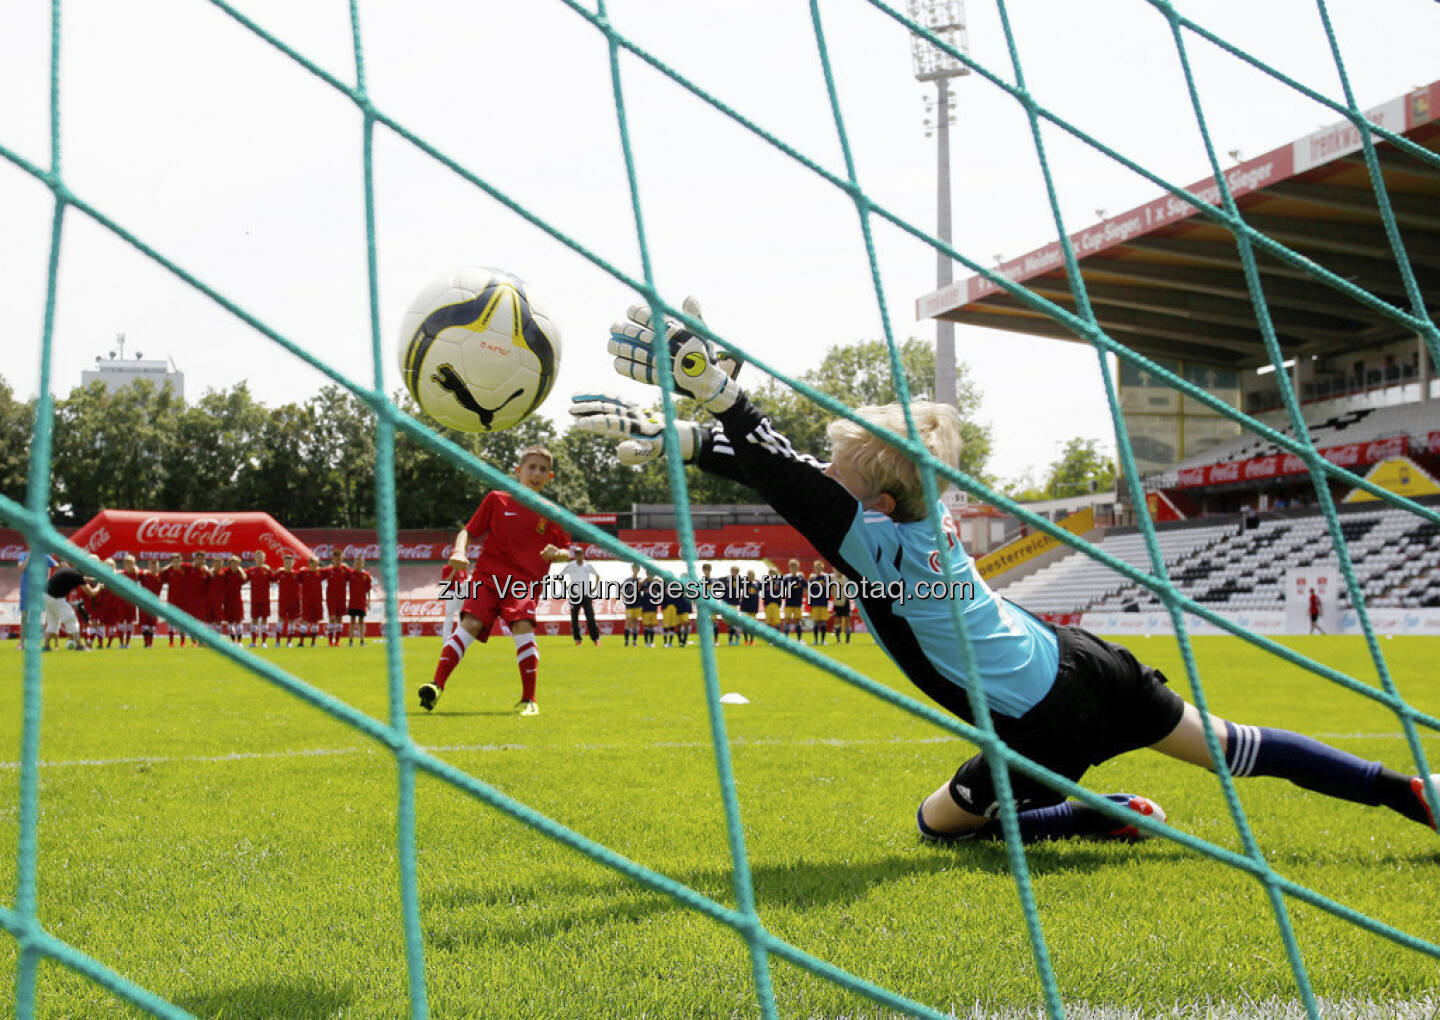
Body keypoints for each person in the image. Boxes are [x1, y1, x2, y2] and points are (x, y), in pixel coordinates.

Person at [574, 297, 1440, 844]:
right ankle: (1410, 794)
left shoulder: (870, 546)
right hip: (1087, 659)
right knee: (1233, 747)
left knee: (939, 824)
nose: (824, 472)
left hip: (1040, 723)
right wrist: (686, 436)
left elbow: (781, 470)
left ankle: (1092, 814)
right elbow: (791, 467)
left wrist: (718, 398)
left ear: (870, 495)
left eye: (841, 468)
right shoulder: (924, 516)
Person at [417, 446, 571, 717]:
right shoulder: (496, 499)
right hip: (487, 578)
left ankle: (528, 700)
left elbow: (569, 550)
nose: (536, 473)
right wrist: (459, 551)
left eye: (542, 470)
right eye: (531, 467)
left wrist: (557, 553)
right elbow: (467, 531)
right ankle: (436, 685)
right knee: (471, 624)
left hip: (524, 583)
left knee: (523, 625)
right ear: (518, 471)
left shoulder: (554, 513)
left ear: (550, 476)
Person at [559, 546, 601, 646]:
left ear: (583, 555)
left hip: (586, 595)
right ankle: (578, 640)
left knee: (590, 618)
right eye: (577, 554)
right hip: (575, 595)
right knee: (574, 619)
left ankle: (595, 639)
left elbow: (597, 575)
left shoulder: (587, 565)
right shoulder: (571, 565)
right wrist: (567, 587)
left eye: (580, 554)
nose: (579, 556)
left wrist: (594, 587)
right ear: (575, 555)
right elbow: (559, 577)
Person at [41, 559, 87, 651]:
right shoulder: (77, 576)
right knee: (71, 619)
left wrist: (90, 579)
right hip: (56, 598)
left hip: (45, 595)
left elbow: (80, 579)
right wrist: (98, 587)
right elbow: (89, 592)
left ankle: (46, 646)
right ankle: (79, 645)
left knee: (52, 622)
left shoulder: (69, 570)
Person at [246, 550, 275, 647]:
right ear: (254, 559)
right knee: (254, 620)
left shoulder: (267, 570)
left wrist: (271, 569)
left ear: (264, 559)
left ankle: (264, 642)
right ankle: (254, 642)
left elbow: (275, 579)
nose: (259, 559)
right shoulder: (251, 570)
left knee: (264, 620)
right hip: (254, 600)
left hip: (265, 600)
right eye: (257, 557)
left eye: (261, 557)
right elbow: (242, 576)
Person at [324, 548, 351, 647]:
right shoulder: (328, 570)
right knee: (332, 618)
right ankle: (330, 642)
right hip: (331, 599)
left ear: (342, 559)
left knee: (339, 619)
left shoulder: (345, 569)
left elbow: (354, 576)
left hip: (341, 598)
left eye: (339, 559)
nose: (337, 561)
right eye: (335, 559)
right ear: (332, 559)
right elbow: (317, 574)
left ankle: (337, 641)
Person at [438, 555, 468, 644]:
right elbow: (446, 581)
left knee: (461, 617)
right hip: (451, 592)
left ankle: (460, 638)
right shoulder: (447, 568)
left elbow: (464, 579)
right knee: (449, 617)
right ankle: (446, 639)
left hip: (461, 592)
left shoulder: (462, 569)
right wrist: (454, 570)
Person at [275, 551, 301, 647]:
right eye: (286, 562)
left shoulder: (297, 574)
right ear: (283, 563)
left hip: (294, 602)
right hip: (283, 601)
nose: (288, 564)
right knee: (280, 619)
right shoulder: (280, 573)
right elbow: (272, 578)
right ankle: (277, 642)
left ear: (293, 563)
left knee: (291, 621)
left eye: (290, 562)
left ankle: (289, 642)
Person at [299, 556, 324, 647]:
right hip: (307, 602)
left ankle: (313, 642)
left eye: (316, 563)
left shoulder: (321, 573)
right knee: (304, 621)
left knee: (315, 621)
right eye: (312, 563)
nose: (315, 565)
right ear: (309, 564)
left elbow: (332, 569)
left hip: (317, 602)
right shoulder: (304, 573)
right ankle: (301, 642)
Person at [347, 555, 372, 646]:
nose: (357, 564)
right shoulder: (351, 574)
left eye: (359, 563)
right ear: (354, 564)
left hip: (361, 602)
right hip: (353, 601)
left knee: (361, 621)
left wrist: (369, 601)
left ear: (363, 564)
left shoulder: (366, 575)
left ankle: (362, 640)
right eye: (356, 563)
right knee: (352, 620)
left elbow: (368, 590)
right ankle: (350, 641)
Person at [807, 560, 832, 646]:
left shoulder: (826, 578)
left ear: (822, 568)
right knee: (815, 622)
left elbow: (830, 589)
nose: (817, 569)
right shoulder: (812, 578)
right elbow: (808, 590)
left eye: (819, 567)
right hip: (815, 603)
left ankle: (823, 640)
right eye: (816, 567)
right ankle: (816, 640)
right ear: (814, 568)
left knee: (823, 622)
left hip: (823, 603)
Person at [781, 558, 806, 640]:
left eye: (795, 567)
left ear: (798, 568)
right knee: (787, 621)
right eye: (791, 567)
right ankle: (785, 640)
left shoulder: (801, 579)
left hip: (798, 603)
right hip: (789, 603)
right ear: (789, 568)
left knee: (798, 622)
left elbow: (807, 588)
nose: (793, 568)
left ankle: (799, 640)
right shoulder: (786, 578)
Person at [622, 564, 644, 647]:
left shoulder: (640, 580)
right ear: (632, 569)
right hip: (630, 605)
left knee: (635, 623)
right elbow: (622, 591)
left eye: (637, 568)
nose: (635, 570)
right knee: (628, 622)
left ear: (638, 570)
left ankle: (634, 642)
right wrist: (625, 599)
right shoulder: (627, 580)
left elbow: (640, 589)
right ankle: (626, 641)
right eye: (634, 568)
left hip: (638, 604)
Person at [739, 569, 760, 645]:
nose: (750, 576)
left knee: (752, 625)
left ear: (754, 576)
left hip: (753, 607)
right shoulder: (744, 583)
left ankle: (752, 641)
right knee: (745, 624)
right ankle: (746, 641)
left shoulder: (757, 583)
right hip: (745, 607)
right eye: (749, 575)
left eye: (751, 575)